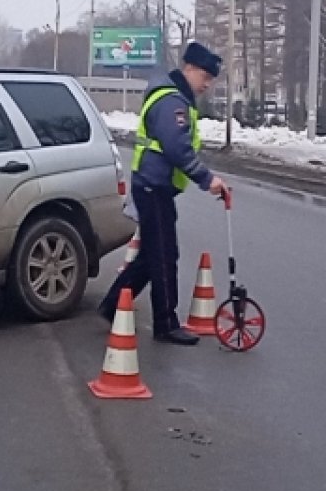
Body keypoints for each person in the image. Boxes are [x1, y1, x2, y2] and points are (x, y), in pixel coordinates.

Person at [98, 42, 230, 345]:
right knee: (164, 256)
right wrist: (205, 178)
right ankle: (166, 324)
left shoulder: (173, 96)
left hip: (154, 185)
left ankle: (111, 305)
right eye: (205, 77)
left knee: (150, 256)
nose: (207, 85)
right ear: (191, 69)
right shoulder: (172, 102)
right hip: (153, 186)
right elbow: (176, 148)